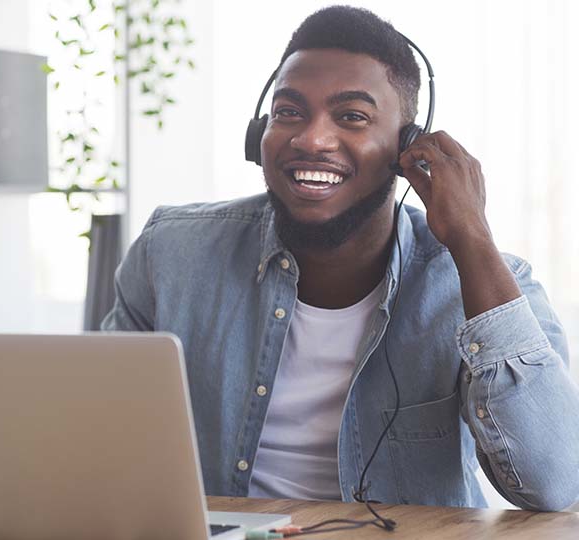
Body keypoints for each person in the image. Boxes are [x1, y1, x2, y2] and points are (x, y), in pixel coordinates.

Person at [102, 5, 579, 511]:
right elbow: (96, 434)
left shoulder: (484, 282)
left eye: (352, 116)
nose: (311, 139)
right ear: (257, 135)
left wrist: (472, 240)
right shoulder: (170, 254)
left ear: (408, 149)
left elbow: (557, 484)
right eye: (289, 112)